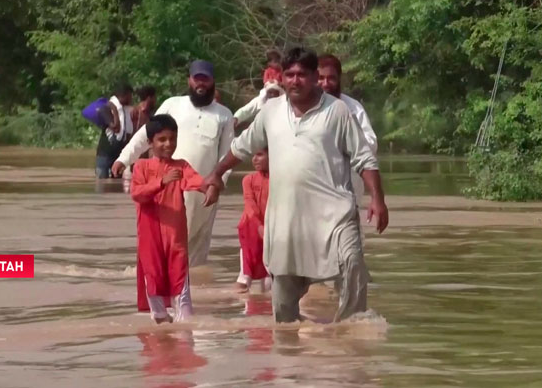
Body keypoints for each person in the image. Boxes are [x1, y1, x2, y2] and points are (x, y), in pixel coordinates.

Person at [203, 47, 389, 323]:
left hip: (335, 215)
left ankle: (351, 332)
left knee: (352, 264)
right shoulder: (270, 112)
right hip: (287, 219)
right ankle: (291, 352)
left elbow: (364, 157)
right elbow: (241, 147)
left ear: (315, 77)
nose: (294, 80)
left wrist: (377, 199)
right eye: (289, 75)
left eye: (302, 74)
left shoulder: (337, 111)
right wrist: (217, 173)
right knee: (284, 303)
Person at [112, 60, 234, 267]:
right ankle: (155, 284)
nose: (200, 84)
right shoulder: (173, 104)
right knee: (162, 239)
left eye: (205, 79)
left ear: (213, 81)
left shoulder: (224, 115)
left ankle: (193, 291)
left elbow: (227, 157)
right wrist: (124, 158)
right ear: (189, 80)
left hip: (203, 191)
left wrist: (216, 184)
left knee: (195, 247)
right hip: (166, 186)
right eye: (197, 79)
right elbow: (145, 135)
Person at [131, 115, 219, 323]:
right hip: (150, 235)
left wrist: (210, 188)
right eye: (162, 139)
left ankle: (185, 327)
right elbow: (137, 194)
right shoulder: (141, 167)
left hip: (175, 235)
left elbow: (195, 180)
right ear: (150, 142)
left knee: (180, 277)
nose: (168, 144)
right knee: (153, 276)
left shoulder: (180, 166)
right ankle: (160, 323)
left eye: (172, 138)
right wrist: (161, 182)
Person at [318, 54, 378, 210]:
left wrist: (345, 143)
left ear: (339, 79)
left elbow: (371, 145)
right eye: (320, 78)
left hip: (347, 193)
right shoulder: (301, 109)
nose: (325, 83)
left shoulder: (352, 107)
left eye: (331, 78)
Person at [235, 149, 270, 293]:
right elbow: (250, 205)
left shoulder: (280, 180)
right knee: (245, 278)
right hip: (250, 230)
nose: (254, 159)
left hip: (272, 229)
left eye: (260, 155)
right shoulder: (248, 179)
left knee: (270, 281)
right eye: (253, 155)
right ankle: (243, 309)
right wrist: (259, 226)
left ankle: (263, 311)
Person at [96, 83, 134, 179]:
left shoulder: (126, 110)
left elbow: (128, 133)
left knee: (117, 185)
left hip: (118, 154)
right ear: (123, 95)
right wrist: (115, 110)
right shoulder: (106, 108)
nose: (131, 99)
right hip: (105, 153)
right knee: (102, 183)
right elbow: (115, 127)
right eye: (130, 96)